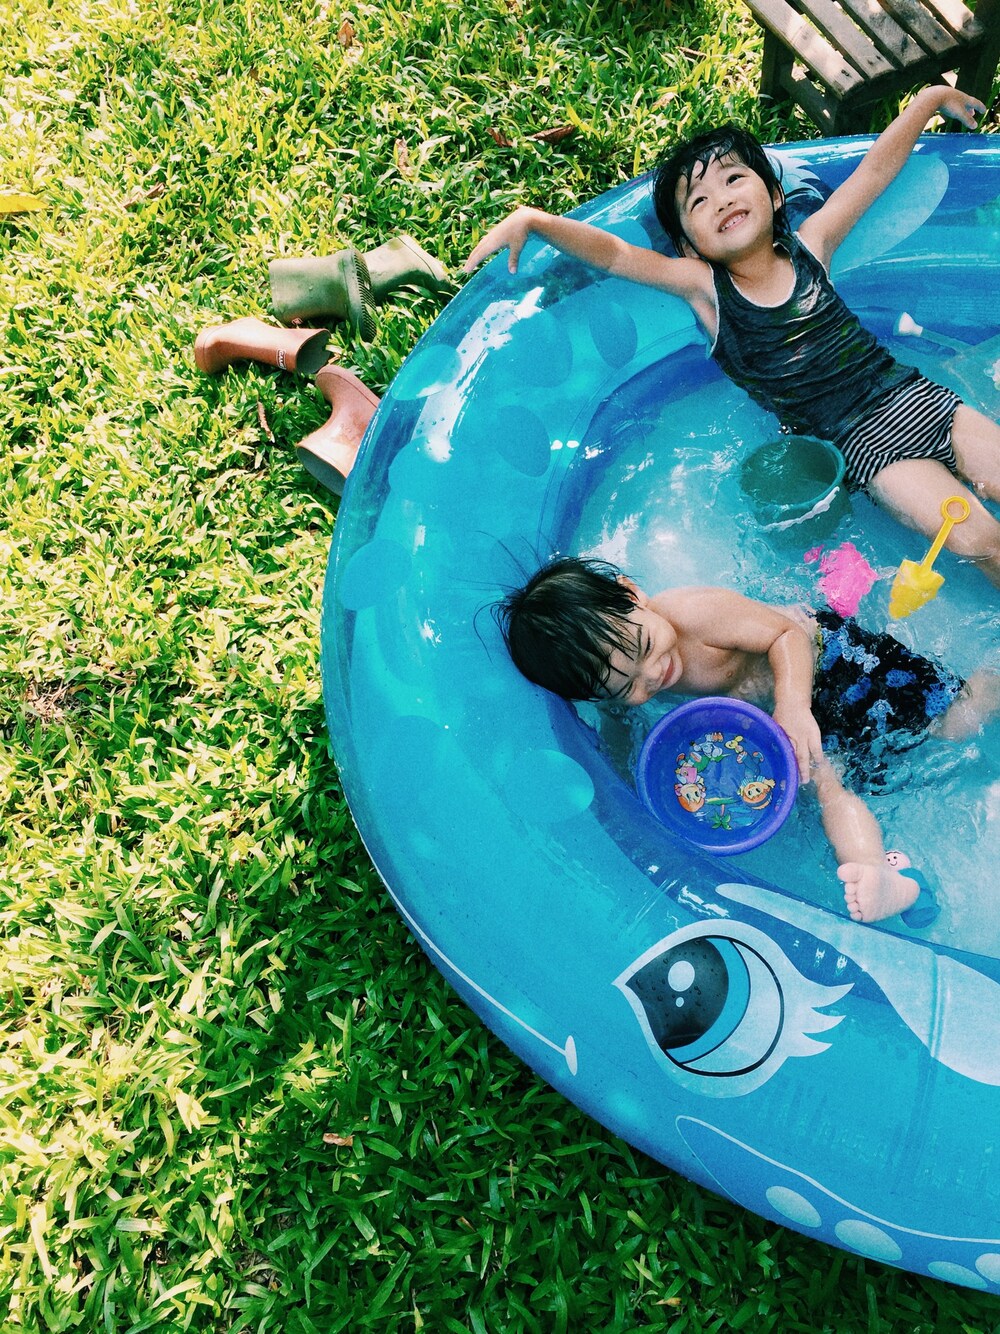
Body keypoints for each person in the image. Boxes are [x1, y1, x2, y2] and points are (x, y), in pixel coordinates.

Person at [465, 87, 1000, 587]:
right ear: (689, 247)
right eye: (697, 202)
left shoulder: (812, 246)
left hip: (920, 398)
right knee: (982, 540)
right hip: (867, 448)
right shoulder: (707, 290)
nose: (720, 200)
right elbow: (616, 255)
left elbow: (873, 173)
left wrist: (929, 99)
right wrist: (538, 221)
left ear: (774, 194)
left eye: (732, 179)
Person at [494, 557, 1000, 924]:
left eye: (645, 647)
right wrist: (630, 791)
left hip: (826, 665)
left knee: (954, 723)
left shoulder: (693, 614)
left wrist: (793, 705)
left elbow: (787, 636)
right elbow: (622, 735)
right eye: (626, 687)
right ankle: (883, 875)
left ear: (632, 594)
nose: (652, 675)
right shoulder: (617, 677)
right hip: (777, 715)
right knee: (826, 783)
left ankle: (993, 678)